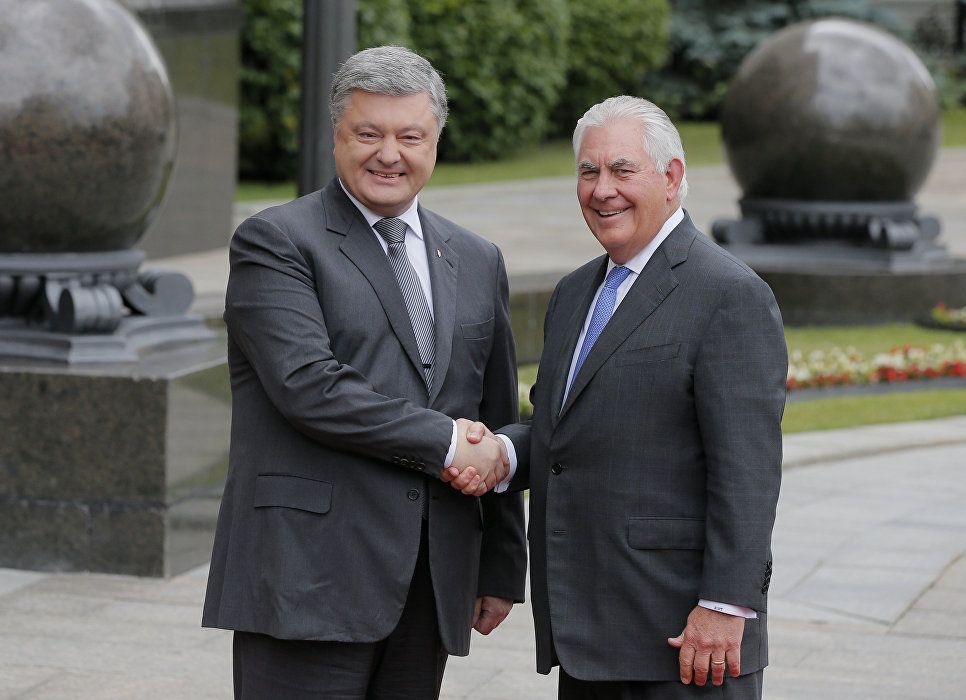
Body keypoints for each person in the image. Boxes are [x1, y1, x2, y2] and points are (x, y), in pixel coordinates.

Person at [202, 45, 526, 699]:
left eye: (410, 137)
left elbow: (494, 410)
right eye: (368, 134)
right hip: (307, 575)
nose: (389, 154)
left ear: (436, 141)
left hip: (430, 580)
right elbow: (309, 386)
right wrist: (448, 443)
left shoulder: (476, 257)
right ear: (336, 136)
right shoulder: (276, 242)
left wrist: (499, 564)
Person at [449, 95, 787, 699]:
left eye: (622, 170)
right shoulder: (574, 292)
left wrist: (725, 604)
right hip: (588, 636)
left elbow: (747, 470)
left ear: (672, 177)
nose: (602, 190)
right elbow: (562, 431)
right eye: (588, 171)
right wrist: (501, 453)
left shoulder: (729, 294)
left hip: (685, 642)